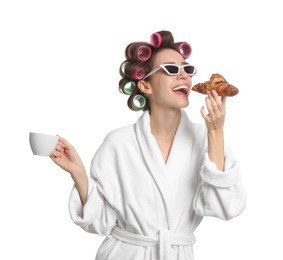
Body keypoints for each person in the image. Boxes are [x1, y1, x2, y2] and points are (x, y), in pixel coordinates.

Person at [50, 30, 247, 260]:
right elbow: (100, 220)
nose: (184, 75)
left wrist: (216, 131)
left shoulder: (204, 138)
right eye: (171, 69)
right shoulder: (119, 143)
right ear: (145, 86)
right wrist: (78, 173)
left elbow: (226, 207)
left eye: (187, 68)